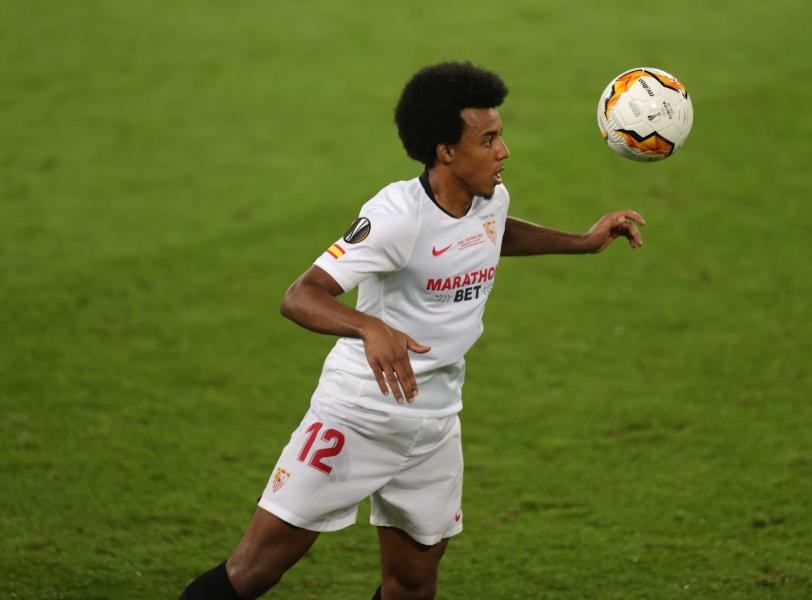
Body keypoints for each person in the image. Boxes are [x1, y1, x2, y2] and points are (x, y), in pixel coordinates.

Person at [181, 61, 643, 600]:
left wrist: (582, 242)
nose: (504, 151)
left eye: (501, 135)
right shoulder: (395, 216)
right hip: (360, 414)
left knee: (413, 582)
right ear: (446, 151)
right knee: (257, 568)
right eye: (488, 139)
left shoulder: (492, 197)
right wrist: (368, 326)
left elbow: (490, 235)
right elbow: (300, 295)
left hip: (436, 419)